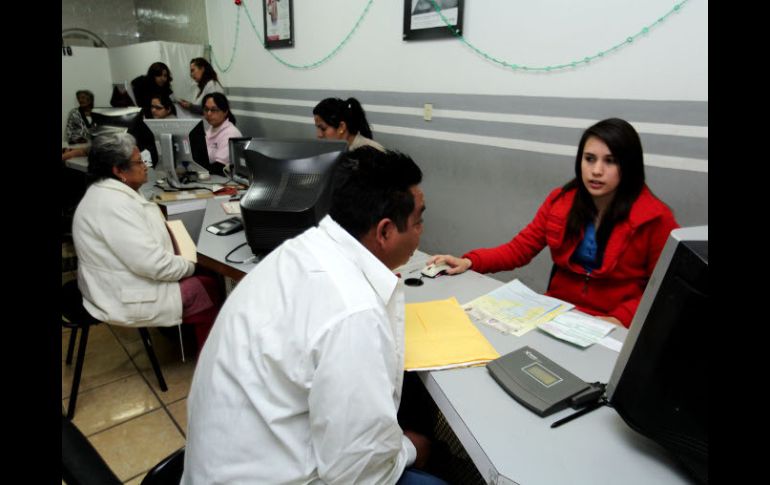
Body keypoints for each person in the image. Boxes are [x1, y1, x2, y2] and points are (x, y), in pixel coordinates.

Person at [183, 147, 447, 484]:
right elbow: (357, 473)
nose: (421, 231)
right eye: (418, 221)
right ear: (384, 232)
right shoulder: (354, 312)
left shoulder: (299, 251)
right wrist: (412, 449)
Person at [429, 118, 679, 328]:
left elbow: (665, 290)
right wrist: (470, 261)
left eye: (610, 161)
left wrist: (620, 319)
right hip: (557, 315)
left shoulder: (655, 218)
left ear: (629, 166)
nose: (596, 170)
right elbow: (519, 249)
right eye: (589, 159)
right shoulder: (561, 202)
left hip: (612, 325)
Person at [71, 132, 222, 351]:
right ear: (119, 171)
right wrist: (190, 264)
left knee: (202, 273)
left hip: (118, 281)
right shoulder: (113, 205)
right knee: (207, 285)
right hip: (123, 295)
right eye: (139, 161)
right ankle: (210, 360)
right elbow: (153, 264)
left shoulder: (107, 192)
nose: (145, 166)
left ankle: (180, 333)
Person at [313, 96, 385, 151]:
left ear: (341, 127)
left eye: (323, 128)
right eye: (317, 128)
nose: (318, 135)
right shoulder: (337, 150)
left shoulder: (371, 153)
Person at [201, 92, 242, 175]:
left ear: (225, 112)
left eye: (214, 110)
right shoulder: (210, 130)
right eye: (206, 109)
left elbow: (219, 167)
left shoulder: (231, 133)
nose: (209, 113)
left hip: (223, 179)